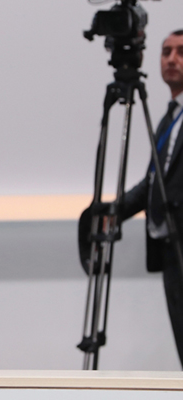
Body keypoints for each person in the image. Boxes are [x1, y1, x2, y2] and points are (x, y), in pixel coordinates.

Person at [122, 30, 183, 366]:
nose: (171, 59)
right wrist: (114, 210)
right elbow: (154, 182)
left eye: (181, 52)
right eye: (166, 51)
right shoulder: (168, 119)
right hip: (170, 248)